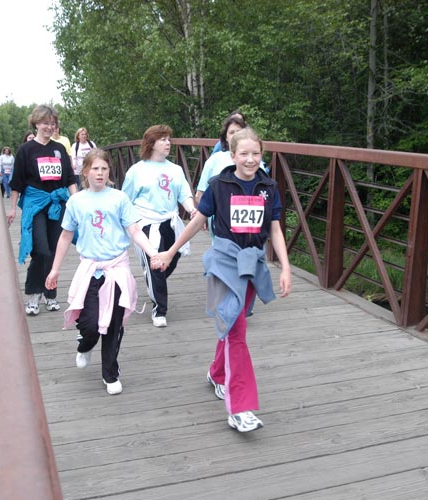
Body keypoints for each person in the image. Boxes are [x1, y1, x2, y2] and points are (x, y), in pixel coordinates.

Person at [153, 128, 292, 433]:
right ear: (232, 155)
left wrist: (285, 267)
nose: (250, 159)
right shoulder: (219, 185)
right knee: (237, 332)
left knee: (232, 323)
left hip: (253, 264)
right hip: (224, 264)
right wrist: (170, 251)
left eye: (256, 153)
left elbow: (275, 229)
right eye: (244, 153)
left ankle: (217, 373)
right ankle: (240, 408)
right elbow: (198, 222)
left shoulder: (269, 187)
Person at [45, 149, 162, 395]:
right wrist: (54, 270)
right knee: (89, 324)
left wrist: (153, 253)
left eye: (104, 168)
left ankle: (110, 373)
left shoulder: (119, 198)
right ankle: (85, 344)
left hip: (116, 267)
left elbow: (134, 230)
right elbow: (65, 236)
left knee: (113, 323)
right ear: (85, 172)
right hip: (90, 269)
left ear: (109, 172)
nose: (99, 173)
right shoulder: (76, 201)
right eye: (95, 168)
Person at [122, 124, 198, 328]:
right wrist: (127, 225)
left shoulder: (175, 170)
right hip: (146, 223)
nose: (168, 143)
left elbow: (184, 194)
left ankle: (154, 278)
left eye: (168, 139)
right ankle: (159, 310)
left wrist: (191, 209)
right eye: (163, 139)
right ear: (151, 143)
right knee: (156, 263)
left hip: (170, 222)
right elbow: (125, 200)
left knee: (170, 260)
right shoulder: (136, 171)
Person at [7, 104, 78, 316]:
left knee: (55, 250)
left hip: (57, 204)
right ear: (36, 123)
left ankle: (50, 294)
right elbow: (17, 182)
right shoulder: (26, 150)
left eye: (53, 124)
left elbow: (69, 178)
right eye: (45, 123)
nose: (49, 127)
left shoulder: (59, 149)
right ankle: (34, 293)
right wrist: (12, 208)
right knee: (41, 250)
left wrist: (77, 203)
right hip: (35, 205)